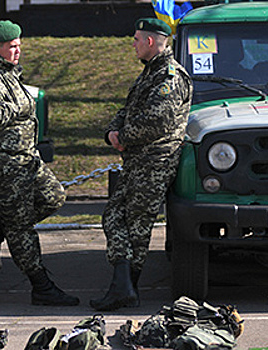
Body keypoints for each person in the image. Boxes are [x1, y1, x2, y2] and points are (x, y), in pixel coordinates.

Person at [0, 20, 79, 306]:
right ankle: (42, 286)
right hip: (0, 162)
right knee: (21, 224)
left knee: (54, 197)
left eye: (19, 45)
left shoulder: (7, 74)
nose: (17, 51)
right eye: (12, 46)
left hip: (24, 158)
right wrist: (21, 107)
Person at [90, 18, 193, 311]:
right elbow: (127, 109)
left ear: (150, 42)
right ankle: (124, 287)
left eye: (136, 39)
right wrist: (112, 132)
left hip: (154, 161)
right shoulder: (150, 74)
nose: (133, 45)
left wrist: (121, 137)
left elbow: (156, 122)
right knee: (118, 218)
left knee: (135, 225)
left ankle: (124, 288)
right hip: (138, 159)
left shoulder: (170, 77)